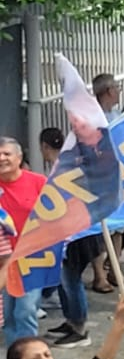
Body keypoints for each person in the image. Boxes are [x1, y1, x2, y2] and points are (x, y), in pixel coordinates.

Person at [1, 136, 48, 345]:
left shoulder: (38, 182)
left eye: (6, 154)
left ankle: (30, 352)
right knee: (8, 313)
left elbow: (55, 214)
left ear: (19, 158)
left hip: (33, 257)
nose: (2, 159)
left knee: (26, 309)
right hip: (4, 260)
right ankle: (16, 356)